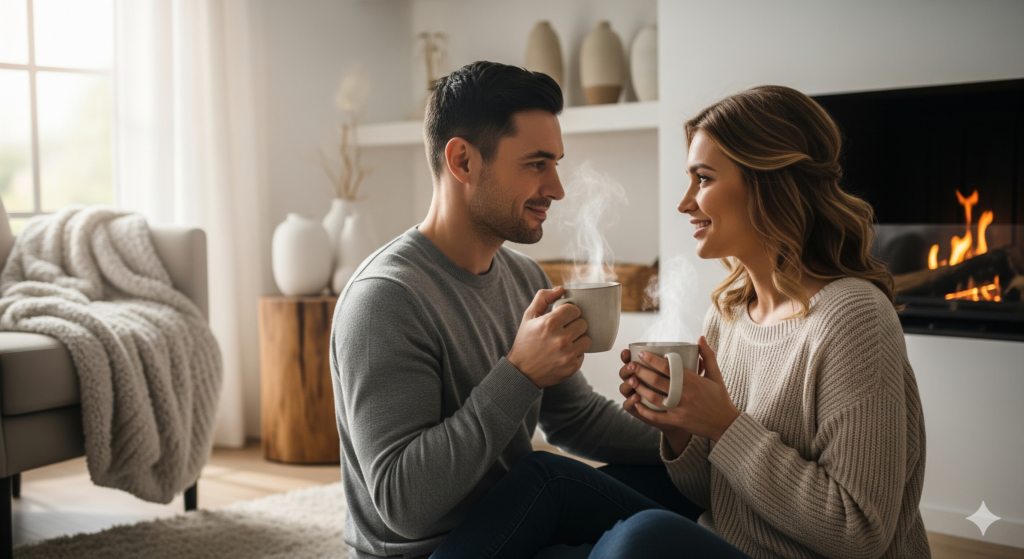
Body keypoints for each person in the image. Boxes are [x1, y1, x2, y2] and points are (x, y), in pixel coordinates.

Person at [430, 85, 931, 559]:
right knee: (547, 476)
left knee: (642, 538)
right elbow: (710, 492)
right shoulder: (732, 312)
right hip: (730, 541)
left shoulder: (852, 319)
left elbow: (858, 533)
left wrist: (723, 424)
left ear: (768, 183)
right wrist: (680, 431)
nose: (685, 202)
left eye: (704, 179)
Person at [329, 61, 696, 559]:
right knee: (548, 478)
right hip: (433, 550)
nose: (557, 189)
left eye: (557, 163)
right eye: (536, 163)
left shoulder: (525, 278)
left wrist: (690, 438)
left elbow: (576, 419)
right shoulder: (386, 300)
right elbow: (403, 502)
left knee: (681, 487)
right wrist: (520, 373)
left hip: (516, 525)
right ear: (462, 161)